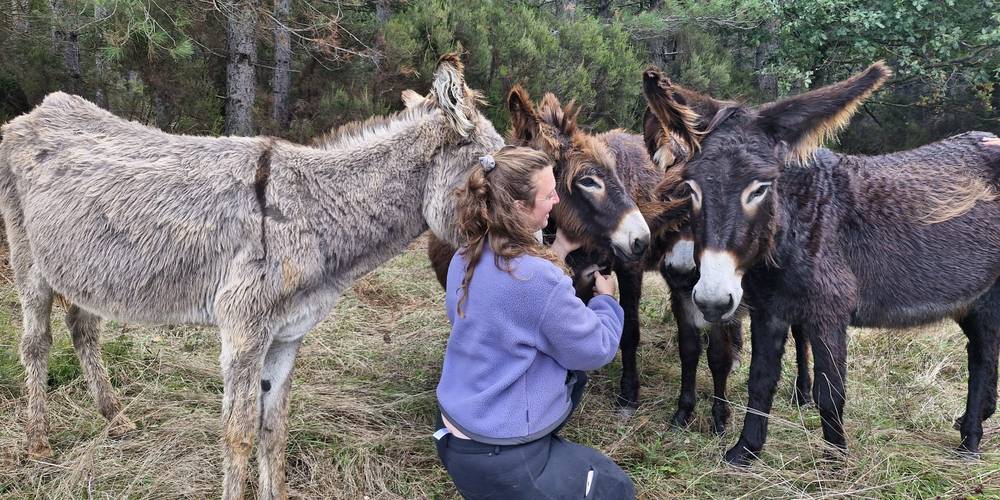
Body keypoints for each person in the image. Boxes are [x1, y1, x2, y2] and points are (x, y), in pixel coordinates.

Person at [433, 145, 635, 499]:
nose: (557, 200)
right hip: (504, 457)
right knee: (615, 488)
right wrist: (606, 301)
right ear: (519, 207)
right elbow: (596, 349)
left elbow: (513, 298)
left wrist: (557, 249)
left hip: (455, 432)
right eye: (548, 194)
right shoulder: (540, 281)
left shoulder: (467, 255)